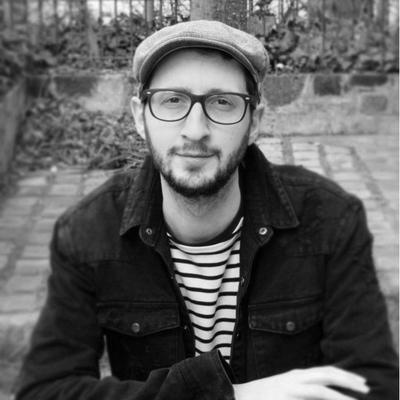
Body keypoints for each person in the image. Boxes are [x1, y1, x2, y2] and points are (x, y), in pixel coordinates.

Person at [16, 20, 398, 400]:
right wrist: (235, 396)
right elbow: (45, 390)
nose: (195, 129)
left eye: (222, 103)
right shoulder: (89, 233)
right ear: (139, 117)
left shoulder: (329, 222)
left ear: (254, 123)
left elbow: (371, 385)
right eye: (172, 100)